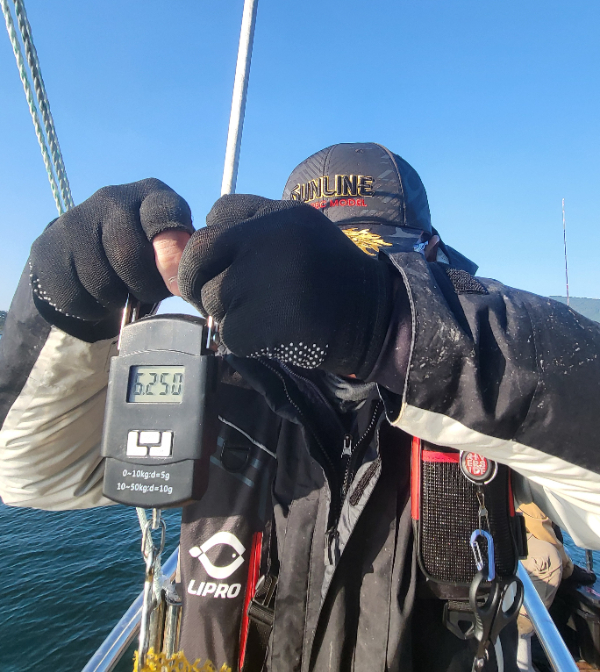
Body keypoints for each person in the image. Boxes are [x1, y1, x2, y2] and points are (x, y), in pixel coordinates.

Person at [1, 142, 600, 672]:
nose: (327, 312)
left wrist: (393, 328)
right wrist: (67, 309)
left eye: (370, 266)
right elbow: (30, 475)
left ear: (430, 262)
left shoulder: (485, 427)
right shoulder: (219, 390)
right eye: (309, 281)